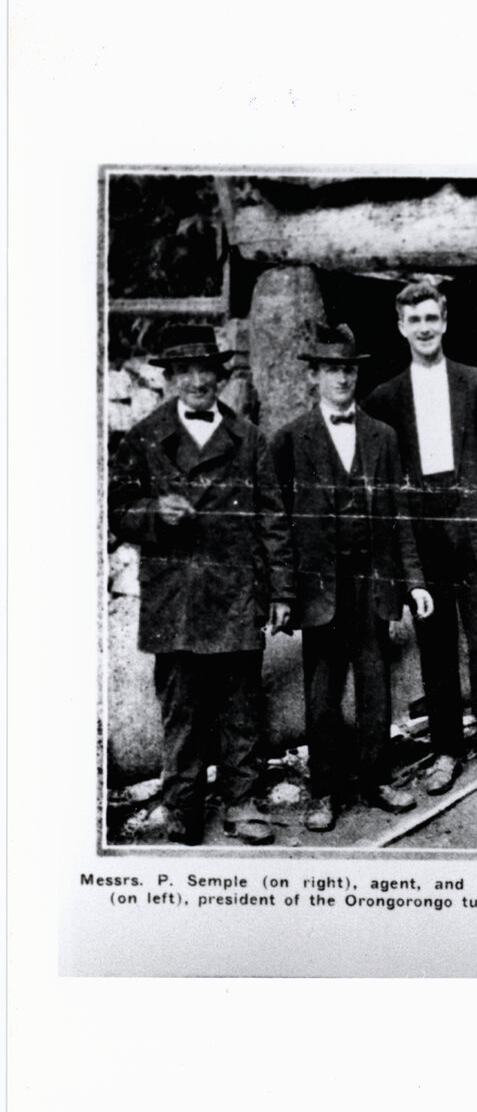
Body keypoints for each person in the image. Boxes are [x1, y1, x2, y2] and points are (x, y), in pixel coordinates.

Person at [108, 325, 296, 845]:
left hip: (236, 591)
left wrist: (281, 592)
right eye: (183, 371)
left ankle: (242, 801)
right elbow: (116, 509)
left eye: (204, 370)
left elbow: (273, 520)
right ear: (169, 380)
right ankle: (182, 806)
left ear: (220, 375)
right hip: (176, 595)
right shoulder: (145, 437)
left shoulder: (250, 439)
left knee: (241, 704)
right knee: (183, 707)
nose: (196, 381)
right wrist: (153, 513)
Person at [270, 323, 432, 831]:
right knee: (321, 691)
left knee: (375, 684)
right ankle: (324, 791)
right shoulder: (290, 439)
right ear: (315, 374)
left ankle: (376, 779)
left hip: (373, 579)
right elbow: (276, 519)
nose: (341, 378)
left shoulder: (382, 436)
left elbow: (400, 513)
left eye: (348, 369)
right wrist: (282, 590)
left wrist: (415, 581)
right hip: (320, 585)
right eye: (332, 369)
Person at [365, 280, 477, 790]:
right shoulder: (385, 397)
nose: (425, 328)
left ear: (445, 321)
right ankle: (446, 750)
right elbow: (384, 486)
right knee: (435, 646)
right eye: (415, 321)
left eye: (432, 318)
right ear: (401, 327)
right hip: (422, 533)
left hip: (476, 529)